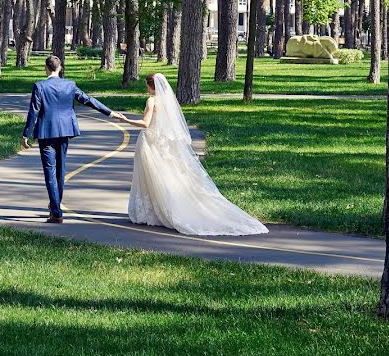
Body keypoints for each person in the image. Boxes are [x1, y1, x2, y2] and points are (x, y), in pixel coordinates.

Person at [114, 73, 268, 236]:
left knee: (149, 176)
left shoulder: (151, 101)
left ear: (151, 86)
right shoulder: (168, 102)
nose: (146, 88)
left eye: (147, 85)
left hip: (150, 143)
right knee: (165, 176)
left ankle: (154, 211)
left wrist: (125, 120)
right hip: (164, 144)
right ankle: (161, 208)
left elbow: (145, 123)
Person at [22, 55, 125, 223]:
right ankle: (55, 205)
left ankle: (56, 211)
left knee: (50, 171)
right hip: (65, 130)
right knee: (61, 170)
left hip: (46, 132)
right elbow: (88, 100)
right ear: (60, 68)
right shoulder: (69, 85)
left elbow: (33, 111)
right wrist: (110, 112)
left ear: (46, 68)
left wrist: (26, 134)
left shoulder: (39, 86)